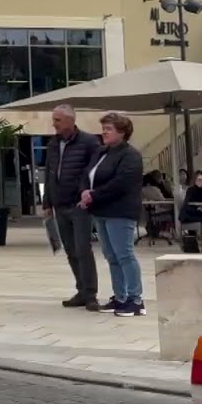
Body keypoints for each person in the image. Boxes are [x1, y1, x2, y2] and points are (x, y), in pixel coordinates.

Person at [79, 112, 145, 317]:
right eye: (103, 128)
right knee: (111, 256)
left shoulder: (130, 155)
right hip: (101, 210)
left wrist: (93, 195)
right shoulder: (101, 152)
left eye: (109, 129)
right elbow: (87, 173)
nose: (104, 132)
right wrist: (84, 191)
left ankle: (136, 300)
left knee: (124, 254)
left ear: (122, 132)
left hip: (120, 210)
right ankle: (120, 297)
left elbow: (121, 183)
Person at [42, 104, 101, 311]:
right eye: (54, 119)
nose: (54, 124)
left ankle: (91, 294)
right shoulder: (53, 144)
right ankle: (81, 290)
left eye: (57, 120)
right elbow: (49, 173)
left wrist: (86, 194)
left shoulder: (89, 142)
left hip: (79, 205)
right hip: (59, 205)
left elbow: (94, 172)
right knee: (71, 250)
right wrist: (47, 202)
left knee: (83, 249)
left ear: (70, 120)